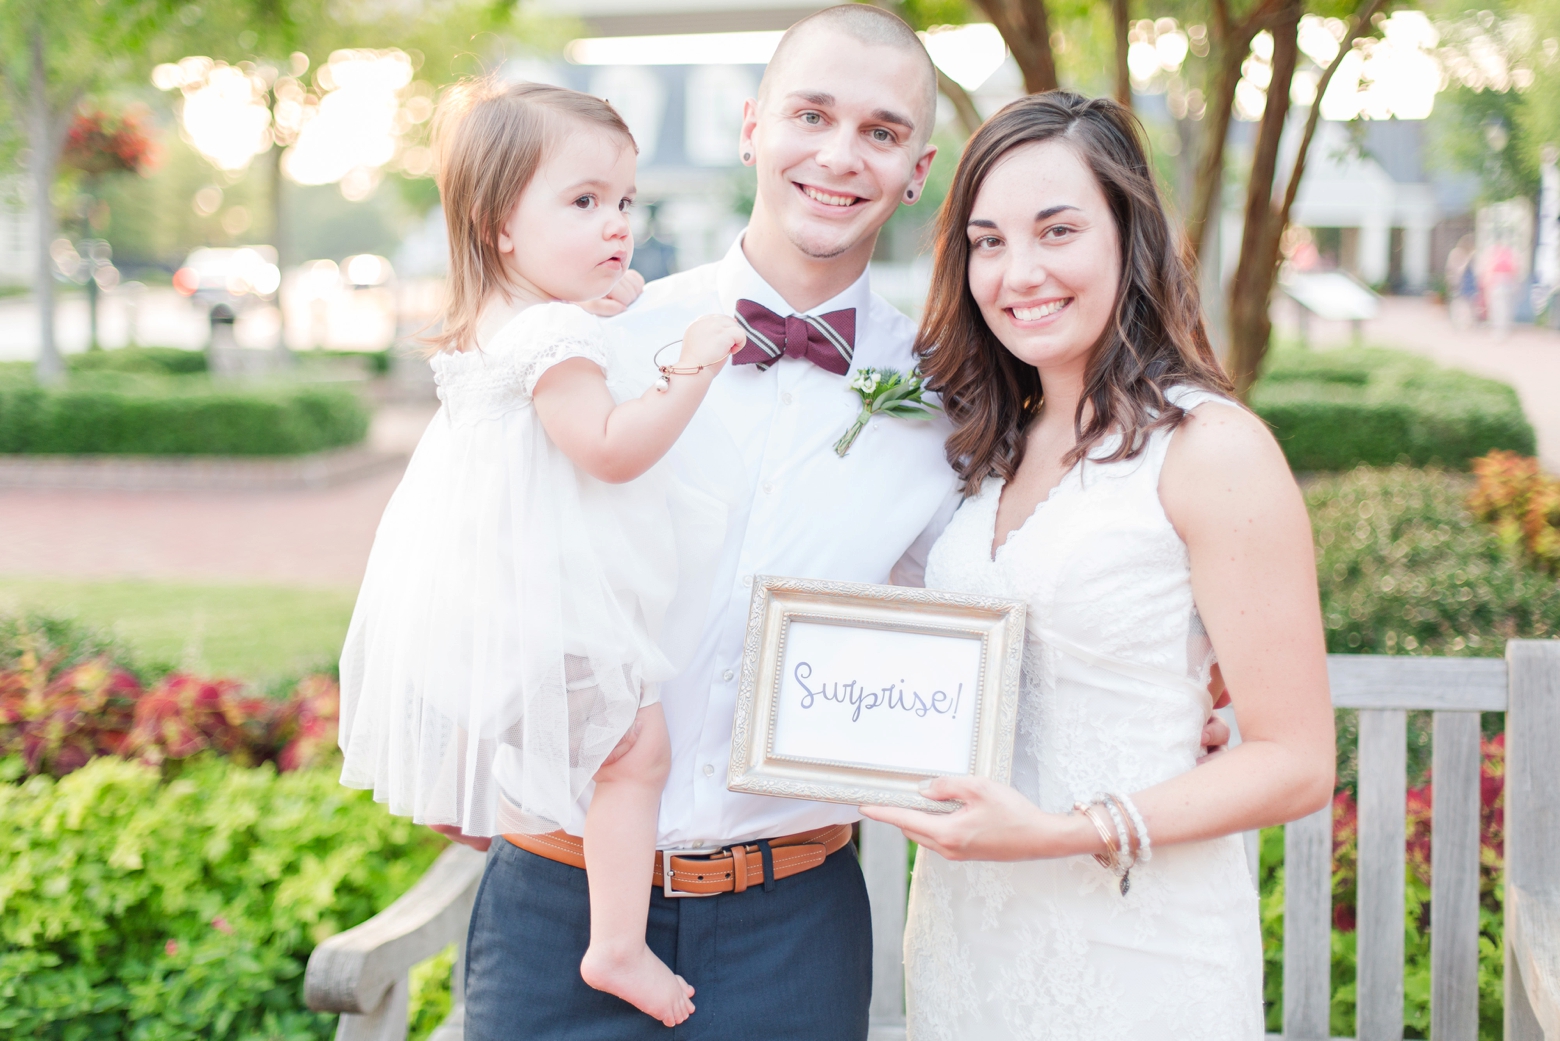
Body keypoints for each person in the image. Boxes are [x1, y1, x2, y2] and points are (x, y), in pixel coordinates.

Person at [861, 92, 1335, 1040]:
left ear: (1131, 234)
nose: (1018, 271)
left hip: (1140, 955)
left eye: (1057, 230)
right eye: (987, 242)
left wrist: (1060, 832)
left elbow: (1297, 762)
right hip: (967, 941)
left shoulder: (1210, 448)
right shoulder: (979, 443)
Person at [335, 79, 747, 1027]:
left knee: (592, 752)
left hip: (487, 593)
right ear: (499, 226)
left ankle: (580, 904)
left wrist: (603, 301)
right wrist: (693, 365)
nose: (617, 225)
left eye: (624, 202)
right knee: (636, 751)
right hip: (550, 594)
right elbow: (609, 449)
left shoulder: (509, 316)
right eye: (584, 201)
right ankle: (616, 943)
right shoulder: (555, 336)